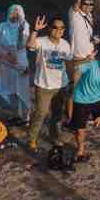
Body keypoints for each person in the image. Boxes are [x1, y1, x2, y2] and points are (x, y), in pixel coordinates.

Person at [26, 13, 74, 149]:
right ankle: (32, 139)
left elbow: (69, 63)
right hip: (43, 86)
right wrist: (35, 30)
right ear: (49, 29)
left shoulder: (65, 44)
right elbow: (30, 45)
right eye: (55, 27)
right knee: (40, 113)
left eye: (62, 28)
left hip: (61, 85)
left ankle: (54, 137)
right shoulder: (41, 41)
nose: (59, 30)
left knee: (57, 114)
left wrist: (72, 81)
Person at [67, 46, 100, 162]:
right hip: (81, 99)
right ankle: (80, 149)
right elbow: (76, 69)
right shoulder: (92, 65)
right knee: (80, 130)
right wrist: (86, 60)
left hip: (99, 100)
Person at [0, 4, 31, 123]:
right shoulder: (2, 26)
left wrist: (20, 33)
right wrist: (6, 56)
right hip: (6, 62)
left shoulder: (24, 25)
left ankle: (25, 117)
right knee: (9, 89)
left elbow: (22, 45)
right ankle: (15, 114)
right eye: (12, 12)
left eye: (17, 13)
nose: (15, 15)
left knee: (22, 89)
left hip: (20, 61)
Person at [67, 0, 99, 87]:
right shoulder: (74, 13)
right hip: (78, 57)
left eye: (91, 4)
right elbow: (77, 1)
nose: (88, 6)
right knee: (75, 87)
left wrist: (95, 40)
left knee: (90, 85)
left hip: (90, 55)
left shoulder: (90, 15)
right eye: (85, 4)